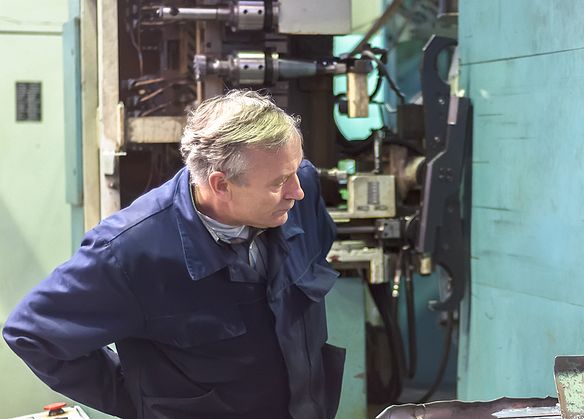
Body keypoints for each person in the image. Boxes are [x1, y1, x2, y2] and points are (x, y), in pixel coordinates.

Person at [3, 90, 344, 419]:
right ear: (221, 185)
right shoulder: (129, 253)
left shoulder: (300, 189)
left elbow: (317, 247)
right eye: (278, 183)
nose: (295, 191)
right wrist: (141, 399)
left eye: (295, 171)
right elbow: (33, 334)